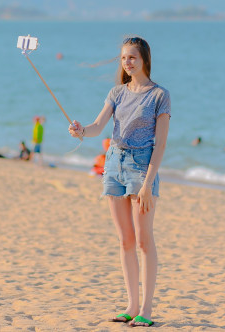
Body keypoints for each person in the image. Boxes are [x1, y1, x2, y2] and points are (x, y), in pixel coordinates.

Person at [68, 36, 170, 327]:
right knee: (125, 240)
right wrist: (80, 130)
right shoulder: (116, 93)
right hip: (114, 165)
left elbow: (160, 144)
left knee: (144, 240)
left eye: (133, 57)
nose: (127, 62)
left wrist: (149, 183)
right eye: (124, 58)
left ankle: (146, 310)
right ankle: (131, 305)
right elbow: (97, 127)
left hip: (142, 168)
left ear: (144, 60)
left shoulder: (159, 95)